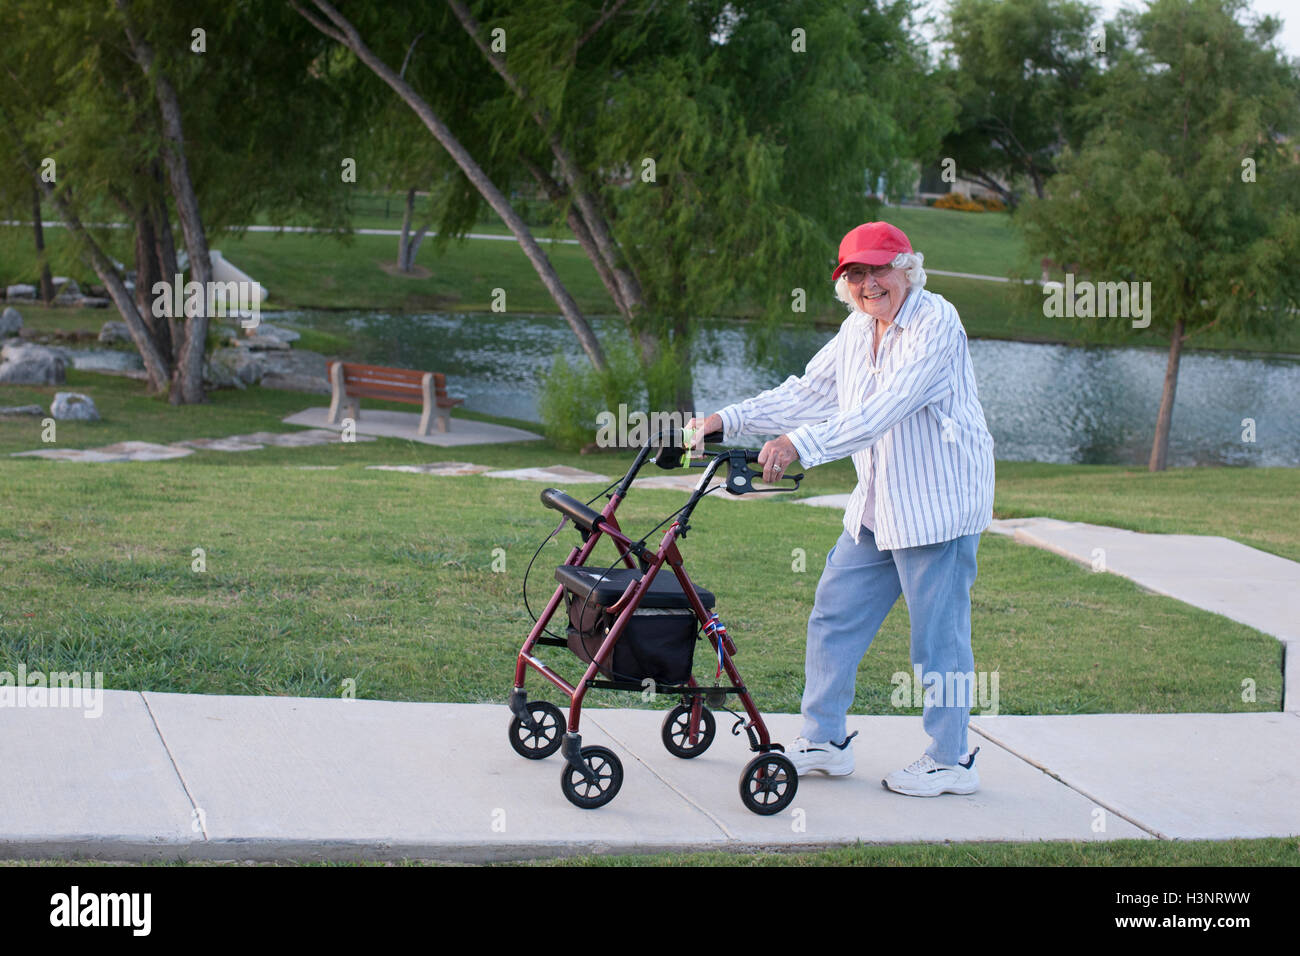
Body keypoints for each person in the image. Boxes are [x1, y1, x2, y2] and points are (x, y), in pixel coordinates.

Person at [688, 221, 995, 797]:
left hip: (937, 507)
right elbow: (804, 393)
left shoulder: (938, 323)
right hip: (877, 506)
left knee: (939, 642)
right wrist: (726, 420)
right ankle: (825, 741)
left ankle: (953, 760)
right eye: (855, 274)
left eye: (878, 269)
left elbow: (887, 407)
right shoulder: (858, 329)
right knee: (833, 615)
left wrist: (801, 444)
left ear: (907, 269)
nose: (867, 283)